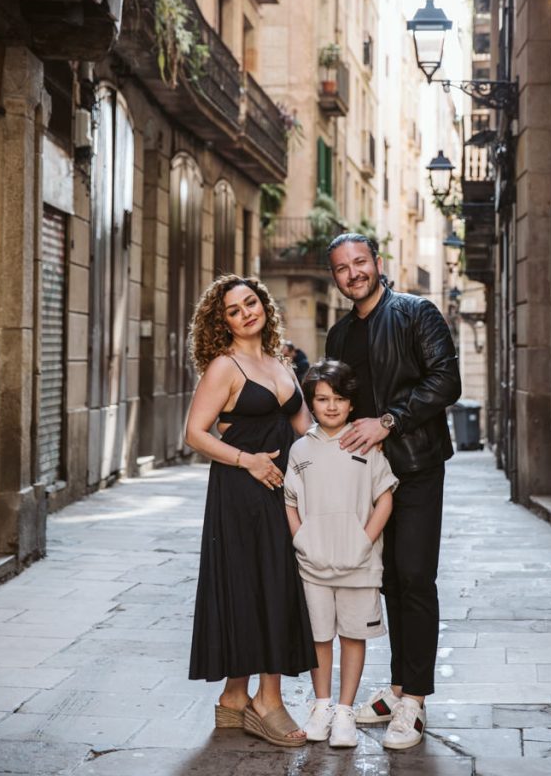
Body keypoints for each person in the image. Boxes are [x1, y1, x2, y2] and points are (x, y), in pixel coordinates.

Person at [325, 233, 461, 750]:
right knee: (386, 582)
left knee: (415, 577)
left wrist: (390, 421)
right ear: (335, 277)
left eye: (360, 262)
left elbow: (446, 381)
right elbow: (332, 402)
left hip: (418, 465)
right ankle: (401, 686)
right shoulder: (339, 336)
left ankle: (416, 701)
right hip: (368, 477)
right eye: (342, 268)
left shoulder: (415, 313)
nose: (353, 273)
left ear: (378, 264)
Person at [185, 274, 317, 748]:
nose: (246, 313)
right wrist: (247, 461)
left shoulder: (281, 362)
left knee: (268, 584)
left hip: (281, 491)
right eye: (234, 310)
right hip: (242, 491)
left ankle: (236, 700)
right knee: (261, 585)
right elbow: (195, 433)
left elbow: (306, 429)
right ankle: (269, 701)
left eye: (251, 302)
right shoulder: (224, 366)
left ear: (264, 305)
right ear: (222, 324)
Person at [284, 359, 398, 748]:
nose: (331, 406)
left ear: (352, 404)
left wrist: (364, 541)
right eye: (322, 399)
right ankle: (322, 706)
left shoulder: (366, 444)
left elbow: (384, 499)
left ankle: (346, 711)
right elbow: (290, 502)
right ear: (311, 403)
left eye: (339, 399)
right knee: (319, 637)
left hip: (359, 565)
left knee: (352, 635)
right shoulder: (300, 449)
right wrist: (303, 540)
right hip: (312, 565)